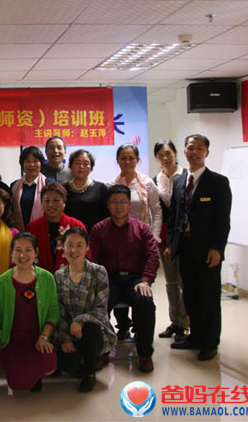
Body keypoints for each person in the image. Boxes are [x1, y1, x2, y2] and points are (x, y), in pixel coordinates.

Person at [166, 134, 232, 361]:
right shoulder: (179, 181)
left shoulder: (218, 182)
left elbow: (223, 220)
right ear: (184, 151)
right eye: (190, 148)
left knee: (209, 297)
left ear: (207, 152)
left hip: (207, 251)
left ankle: (210, 342)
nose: (194, 152)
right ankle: (195, 336)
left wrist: (217, 248)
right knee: (190, 295)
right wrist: (171, 245)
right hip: (185, 247)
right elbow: (174, 217)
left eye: (200, 148)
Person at [89, 185, 159, 373]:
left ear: (129, 204)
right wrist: (97, 284)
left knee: (145, 303)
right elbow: (93, 259)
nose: (118, 206)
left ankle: (145, 353)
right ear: (108, 205)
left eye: (123, 202)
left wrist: (146, 280)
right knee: (98, 305)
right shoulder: (98, 229)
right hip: (108, 279)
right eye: (114, 202)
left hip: (135, 280)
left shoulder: (142, 229)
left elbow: (153, 256)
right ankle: (102, 351)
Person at [0, 232, 59, 392]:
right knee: (18, 385)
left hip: (38, 338)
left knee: (50, 365)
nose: (22, 255)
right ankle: (31, 374)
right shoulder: (2, 281)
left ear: (36, 253)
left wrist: (44, 336)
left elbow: (54, 312)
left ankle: (34, 374)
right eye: (18, 250)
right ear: (11, 253)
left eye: (28, 250)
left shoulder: (47, 278)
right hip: (11, 341)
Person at [107, 144, 161, 339]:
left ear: (138, 160)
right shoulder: (111, 185)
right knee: (116, 277)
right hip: (118, 238)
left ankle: (140, 329)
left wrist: (154, 236)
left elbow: (156, 210)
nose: (127, 162)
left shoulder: (147, 183)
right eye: (123, 158)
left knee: (139, 288)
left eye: (131, 158)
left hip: (141, 238)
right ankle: (123, 325)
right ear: (118, 160)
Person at [54, 227, 116, 393]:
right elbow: (60, 311)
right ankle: (82, 361)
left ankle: (89, 373)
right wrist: (66, 337)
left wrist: (79, 320)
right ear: (62, 247)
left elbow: (101, 309)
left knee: (90, 330)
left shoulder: (99, 271)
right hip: (69, 331)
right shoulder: (59, 275)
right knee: (67, 363)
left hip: (93, 329)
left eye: (79, 245)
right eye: (69, 245)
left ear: (87, 247)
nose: (74, 250)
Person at [153, 140, 188, 342]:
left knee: (184, 281)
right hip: (164, 234)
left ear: (175, 153)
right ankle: (175, 322)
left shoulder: (186, 176)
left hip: (183, 235)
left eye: (168, 153)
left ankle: (185, 323)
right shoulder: (155, 180)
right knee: (171, 282)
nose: (165, 158)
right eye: (160, 155)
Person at [26, 182, 87, 273]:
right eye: (46, 201)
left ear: (64, 203)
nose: (51, 204)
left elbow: (86, 254)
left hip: (72, 277)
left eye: (56, 200)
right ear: (41, 203)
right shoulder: (33, 227)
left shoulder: (76, 225)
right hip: (41, 277)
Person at [63, 150, 109, 233]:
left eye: (86, 163)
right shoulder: (63, 189)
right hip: (69, 237)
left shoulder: (101, 188)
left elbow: (107, 217)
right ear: (71, 166)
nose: (81, 166)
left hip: (95, 236)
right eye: (77, 163)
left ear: (91, 167)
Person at [11, 146, 55, 231]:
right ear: (22, 164)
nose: (31, 165)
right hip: (20, 233)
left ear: (41, 163)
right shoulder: (14, 186)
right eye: (27, 161)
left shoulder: (49, 184)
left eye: (35, 161)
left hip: (45, 231)